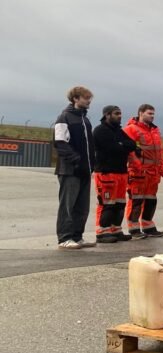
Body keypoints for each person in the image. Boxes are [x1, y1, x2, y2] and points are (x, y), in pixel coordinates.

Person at [53, 85, 97, 250]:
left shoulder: (85, 120)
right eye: (86, 98)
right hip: (69, 170)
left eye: (89, 98)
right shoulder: (64, 118)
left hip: (85, 170)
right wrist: (76, 160)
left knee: (82, 206)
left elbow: (90, 145)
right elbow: (60, 143)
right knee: (68, 205)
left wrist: (91, 164)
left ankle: (77, 236)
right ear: (75, 98)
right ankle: (64, 237)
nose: (88, 101)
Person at [92, 105, 137, 243]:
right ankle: (102, 231)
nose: (119, 116)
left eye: (120, 113)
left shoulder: (118, 130)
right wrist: (122, 146)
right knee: (107, 203)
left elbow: (132, 144)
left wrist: (121, 145)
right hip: (106, 172)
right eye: (116, 113)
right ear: (107, 115)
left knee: (119, 203)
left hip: (121, 172)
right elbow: (112, 148)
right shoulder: (100, 130)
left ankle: (116, 229)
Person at [123, 104, 163, 238]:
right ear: (141, 113)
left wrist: (161, 166)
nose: (152, 116)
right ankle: (134, 229)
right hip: (138, 173)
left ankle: (148, 227)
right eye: (149, 113)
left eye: (153, 114)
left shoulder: (155, 131)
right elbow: (129, 151)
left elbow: (160, 151)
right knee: (136, 201)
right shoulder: (131, 129)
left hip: (153, 173)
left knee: (150, 201)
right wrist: (137, 167)